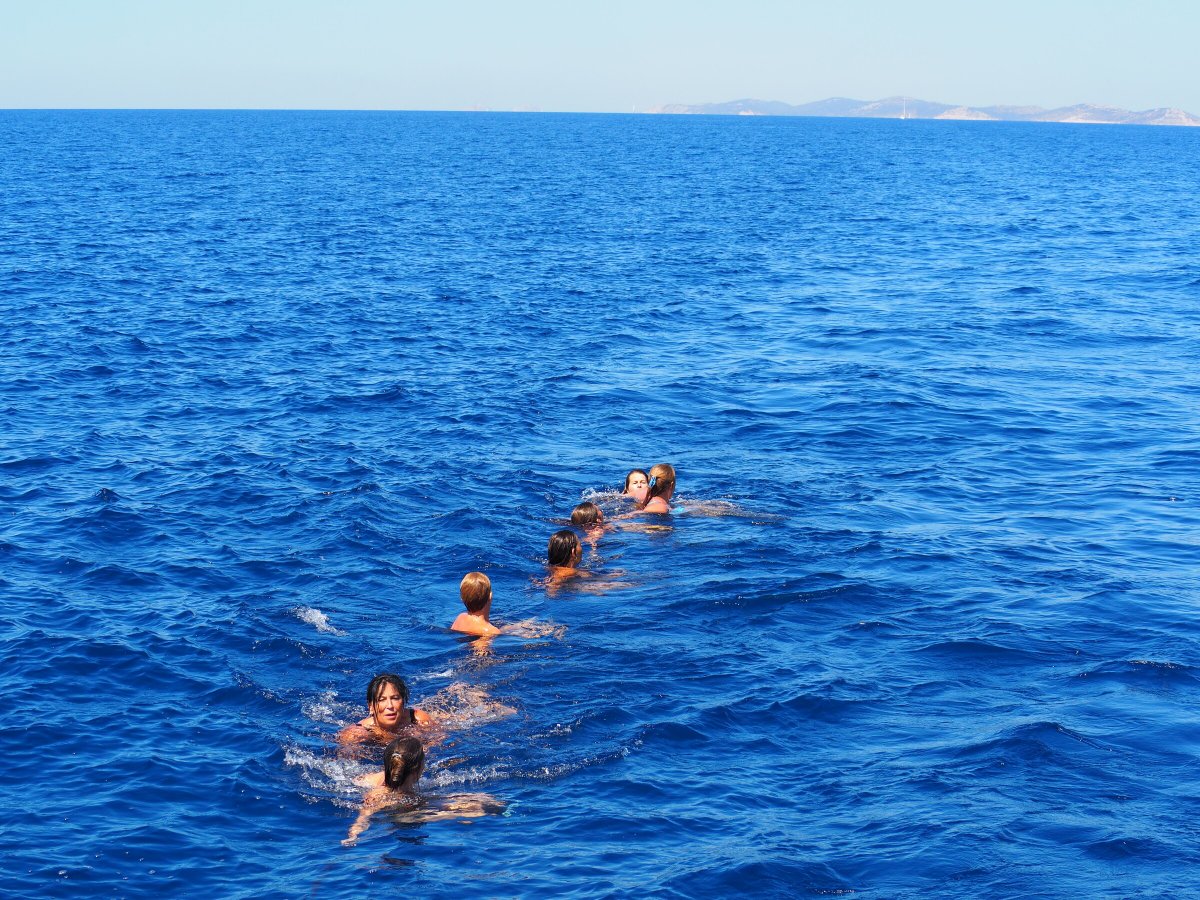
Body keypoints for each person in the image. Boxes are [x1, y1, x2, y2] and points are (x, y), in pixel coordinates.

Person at [342, 736, 503, 844]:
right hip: (406, 817)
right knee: (480, 807)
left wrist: (353, 835)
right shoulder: (415, 799)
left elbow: (363, 817)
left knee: (472, 803)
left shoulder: (374, 788)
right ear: (419, 769)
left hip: (393, 823)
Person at [342, 736, 424, 844]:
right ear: (418, 768)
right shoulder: (381, 795)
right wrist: (353, 834)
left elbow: (364, 816)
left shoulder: (376, 779)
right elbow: (363, 816)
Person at [338, 673, 432, 746]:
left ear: (403, 702)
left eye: (395, 698)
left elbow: (437, 740)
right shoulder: (357, 732)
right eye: (381, 700)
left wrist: (383, 735)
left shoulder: (417, 718)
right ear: (371, 707)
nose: (390, 706)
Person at [450, 571, 501, 637]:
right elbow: (480, 646)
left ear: (461, 598)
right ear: (490, 596)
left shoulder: (461, 617)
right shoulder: (491, 631)